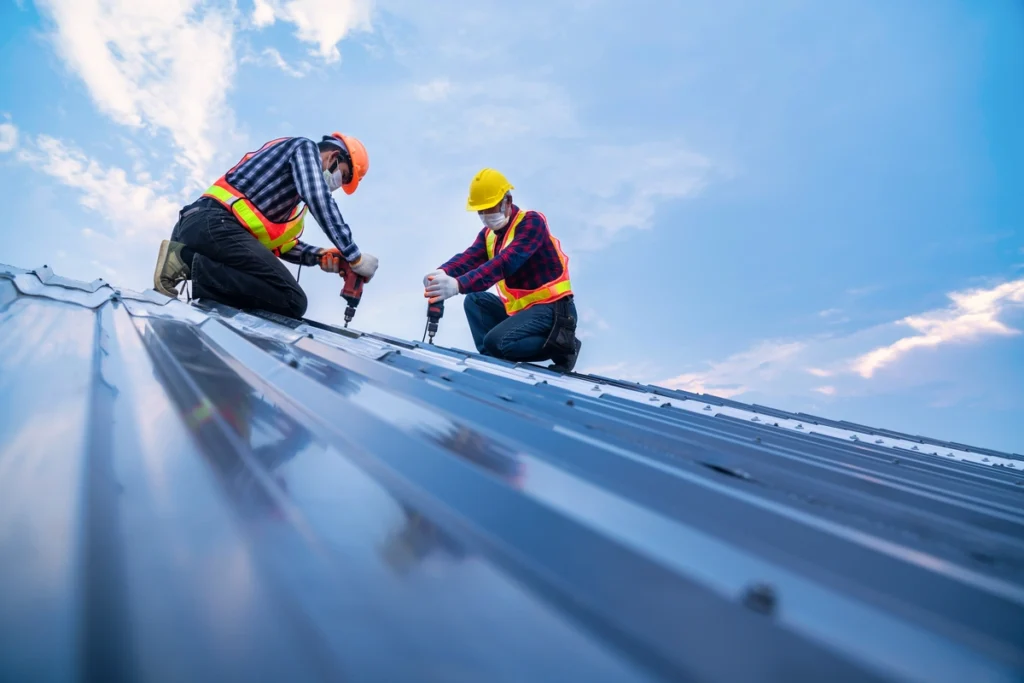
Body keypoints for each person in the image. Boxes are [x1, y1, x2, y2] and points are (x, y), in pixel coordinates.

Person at [152, 133, 378, 319]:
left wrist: (321, 255)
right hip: (211, 223)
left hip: (206, 230)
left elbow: (283, 247)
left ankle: (188, 274)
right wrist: (354, 256)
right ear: (334, 156)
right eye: (343, 175)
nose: (337, 184)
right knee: (291, 299)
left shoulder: (290, 205)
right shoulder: (304, 148)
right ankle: (184, 261)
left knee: (268, 293)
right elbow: (317, 195)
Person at [423, 168, 582, 372]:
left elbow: (506, 262)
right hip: (523, 313)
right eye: (481, 210)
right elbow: (468, 258)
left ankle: (564, 346)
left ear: (508, 201)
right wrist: (442, 273)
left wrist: (458, 285)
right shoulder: (489, 235)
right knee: (475, 300)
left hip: (554, 311)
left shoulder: (532, 223)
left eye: (491, 208)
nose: (487, 215)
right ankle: (494, 364)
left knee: (497, 342)